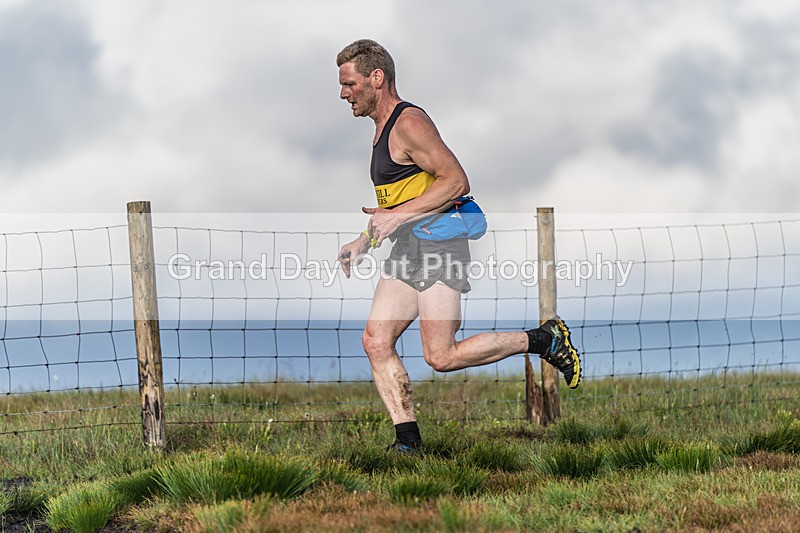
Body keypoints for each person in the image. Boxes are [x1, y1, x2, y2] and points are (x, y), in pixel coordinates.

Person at [335, 39, 581, 452]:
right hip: (407, 250)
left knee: (442, 355)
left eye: (349, 83)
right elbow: (399, 201)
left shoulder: (409, 123)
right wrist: (366, 239)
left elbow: (456, 182)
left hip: (439, 248)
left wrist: (396, 218)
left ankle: (544, 339)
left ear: (376, 78)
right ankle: (408, 444)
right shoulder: (381, 131)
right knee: (375, 340)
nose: (344, 93)